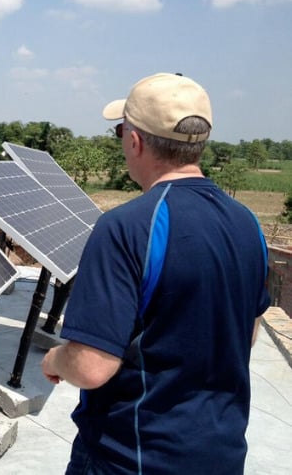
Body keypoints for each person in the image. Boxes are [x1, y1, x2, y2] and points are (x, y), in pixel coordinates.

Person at [41, 73, 270, 474]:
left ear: (135, 140)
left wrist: (56, 359)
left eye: (121, 131)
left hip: (133, 457)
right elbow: (245, 333)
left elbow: (93, 367)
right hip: (222, 454)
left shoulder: (128, 227)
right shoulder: (247, 223)